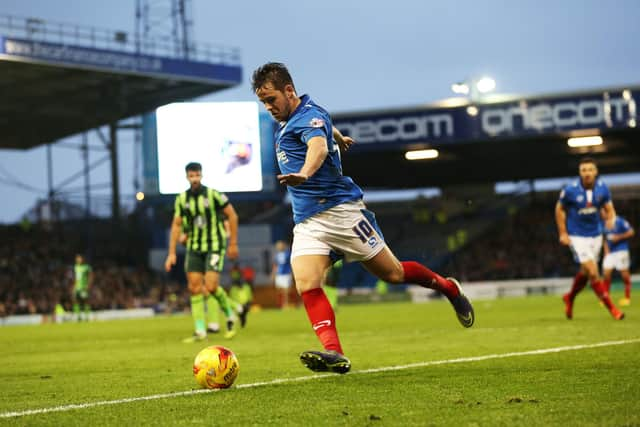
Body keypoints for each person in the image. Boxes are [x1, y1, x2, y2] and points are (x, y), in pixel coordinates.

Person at [252, 62, 474, 374]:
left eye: (271, 99)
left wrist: (305, 172)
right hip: (308, 222)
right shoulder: (296, 117)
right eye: (263, 102)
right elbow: (323, 131)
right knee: (306, 283)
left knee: (393, 274)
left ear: (289, 90)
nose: (269, 107)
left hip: (341, 213)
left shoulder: (308, 118)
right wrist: (339, 138)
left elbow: (315, 145)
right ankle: (335, 353)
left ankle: (448, 288)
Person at [165, 162, 241, 342]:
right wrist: (172, 252)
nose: (195, 179)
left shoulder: (214, 195)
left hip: (214, 245)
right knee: (194, 288)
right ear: (186, 177)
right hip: (194, 248)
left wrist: (233, 243)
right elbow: (176, 225)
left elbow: (232, 215)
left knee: (212, 286)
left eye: (197, 175)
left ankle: (230, 316)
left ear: (201, 175)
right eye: (191, 176)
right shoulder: (182, 199)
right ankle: (200, 330)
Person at [555, 157, 624, 320]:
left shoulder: (603, 189)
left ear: (595, 172)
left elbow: (609, 207)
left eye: (590, 170)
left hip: (596, 235)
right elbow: (559, 209)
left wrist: (611, 218)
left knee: (585, 273)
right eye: (583, 170)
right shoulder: (570, 190)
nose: (587, 173)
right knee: (593, 272)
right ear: (580, 172)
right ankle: (613, 310)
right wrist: (563, 233)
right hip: (577, 236)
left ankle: (570, 297)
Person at [602, 215, 635, 306]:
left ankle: (627, 297)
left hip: (621, 250)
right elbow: (604, 238)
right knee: (606, 273)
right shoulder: (603, 223)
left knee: (624, 274)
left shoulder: (620, 221)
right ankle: (606, 298)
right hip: (610, 253)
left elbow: (631, 232)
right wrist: (606, 250)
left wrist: (619, 237)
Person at [272, 240, 293, 309]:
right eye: (278, 246)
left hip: (286, 274)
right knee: (279, 290)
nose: (279, 247)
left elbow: (291, 264)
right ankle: (280, 304)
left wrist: (291, 273)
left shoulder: (288, 254)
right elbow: (275, 265)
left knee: (286, 291)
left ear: (283, 246)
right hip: (279, 275)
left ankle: (286, 304)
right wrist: (273, 274)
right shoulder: (276, 255)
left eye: (280, 245)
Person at [71, 254, 93, 321]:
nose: (78, 260)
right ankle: (78, 317)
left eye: (79, 258)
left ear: (82, 259)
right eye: (77, 258)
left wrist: (88, 285)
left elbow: (91, 276)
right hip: (77, 287)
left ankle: (87, 317)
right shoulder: (75, 267)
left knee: (85, 301)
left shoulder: (87, 267)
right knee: (75, 301)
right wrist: (73, 287)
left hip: (84, 287)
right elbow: (75, 278)